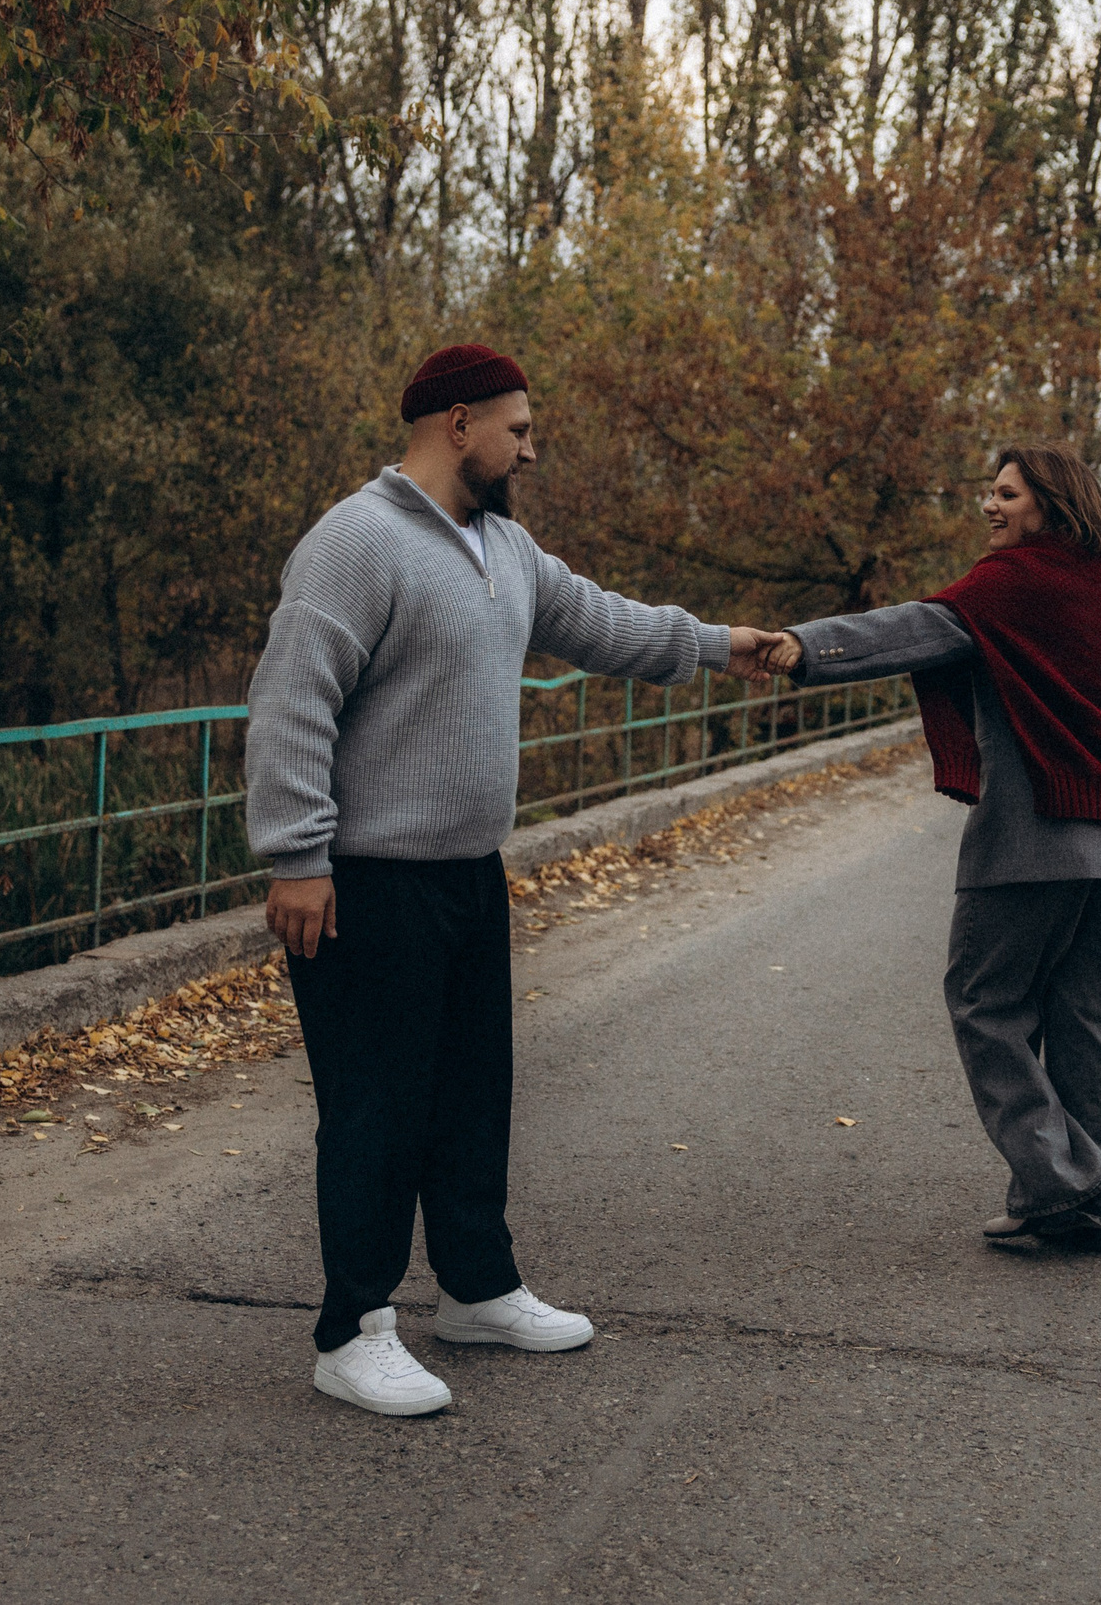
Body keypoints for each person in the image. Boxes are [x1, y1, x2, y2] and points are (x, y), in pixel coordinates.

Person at [245, 343, 779, 1417]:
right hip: (364, 880)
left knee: (470, 1094)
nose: (529, 447)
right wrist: (297, 858)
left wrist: (725, 645)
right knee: (374, 1107)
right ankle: (352, 1331)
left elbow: (606, 624)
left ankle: (477, 1290)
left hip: (465, 875)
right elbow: (290, 704)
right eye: (518, 429)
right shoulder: (355, 543)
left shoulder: (502, 547)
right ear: (457, 423)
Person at [761, 443, 1101, 1254]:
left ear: (1051, 502)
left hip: (1034, 842)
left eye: (1005, 493)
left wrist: (805, 647)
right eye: (987, 492)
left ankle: (1065, 1181)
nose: (990, 507)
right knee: (1091, 1013)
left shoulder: (1012, 585)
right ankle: (1098, 1194)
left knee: (986, 1002)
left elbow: (919, 628)